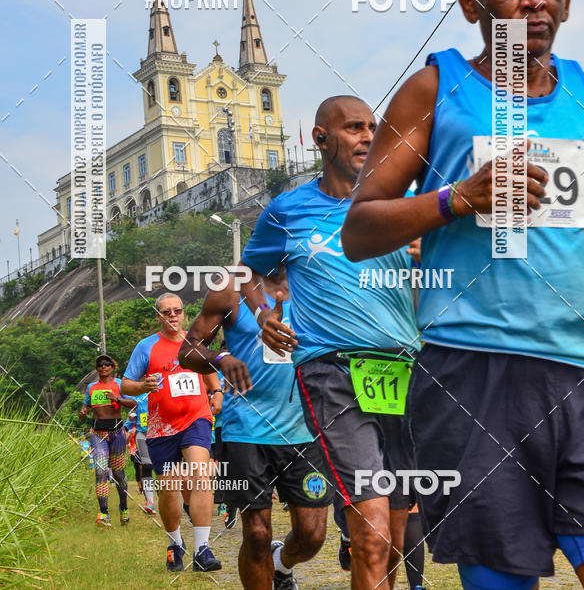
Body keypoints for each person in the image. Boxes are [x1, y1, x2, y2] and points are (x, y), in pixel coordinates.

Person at [342, 0, 584, 590]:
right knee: (501, 580)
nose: (531, 1)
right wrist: (459, 197)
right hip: (474, 373)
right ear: (471, 2)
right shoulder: (436, 90)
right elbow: (360, 229)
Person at [240, 95, 421, 590]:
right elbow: (247, 272)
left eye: (373, 128)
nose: (368, 136)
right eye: (355, 128)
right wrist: (263, 315)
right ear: (321, 138)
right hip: (331, 372)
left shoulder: (401, 202)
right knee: (371, 538)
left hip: (405, 369)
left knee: (401, 536)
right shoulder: (288, 210)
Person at [179, 267, 333, 590]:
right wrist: (220, 358)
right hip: (245, 429)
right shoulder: (230, 289)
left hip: (305, 429)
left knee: (313, 535)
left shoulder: (319, 281)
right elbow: (187, 350)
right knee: (257, 534)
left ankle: (282, 565)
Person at [121, 292, 223, 573]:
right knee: (170, 488)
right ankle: (175, 543)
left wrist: (216, 391)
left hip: (196, 418)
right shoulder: (147, 347)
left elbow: (208, 367)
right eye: (166, 312)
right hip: (161, 426)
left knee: (202, 475)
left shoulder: (195, 340)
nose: (173, 316)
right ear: (158, 316)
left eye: (177, 310)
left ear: (183, 313)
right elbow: (125, 385)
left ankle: (202, 549)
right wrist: (143, 387)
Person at [78, 354, 136, 526]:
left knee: (118, 474)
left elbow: (133, 403)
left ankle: (123, 507)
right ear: (97, 368)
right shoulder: (91, 387)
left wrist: (117, 399)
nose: (104, 366)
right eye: (100, 364)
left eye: (107, 364)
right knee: (101, 471)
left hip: (117, 434)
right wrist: (83, 412)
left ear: (112, 367)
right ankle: (104, 513)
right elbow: (86, 406)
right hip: (98, 434)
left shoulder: (119, 384)